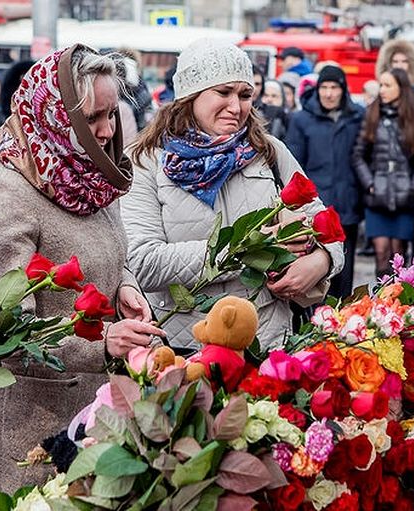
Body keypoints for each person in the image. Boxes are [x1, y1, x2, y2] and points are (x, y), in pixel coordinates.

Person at [0, 44, 161, 494]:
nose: (107, 130)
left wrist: (125, 285)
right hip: (34, 424)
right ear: (55, 116)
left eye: (111, 115)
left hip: (97, 411)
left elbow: (110, 252)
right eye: (92, 118)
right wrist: (105, 343)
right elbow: (6, 333)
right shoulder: (8, 195)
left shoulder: (88, 176)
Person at [124, 39, 343, 349]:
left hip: (268, 343)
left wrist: (321, 262)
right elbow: (144, 263)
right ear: (190, 95)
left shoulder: (268, 152)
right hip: (186, 348)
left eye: (244, 95)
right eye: (223, 92)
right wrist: (249, 247)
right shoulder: (145, 160)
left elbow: (325, 226)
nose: (236, 107)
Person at [285, 65, 364, 298]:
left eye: (334, 88)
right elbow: (294, 164)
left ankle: (342, 311)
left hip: (347, 202)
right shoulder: (301, 119)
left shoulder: (357, 116)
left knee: (345, 270)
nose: (329, 94)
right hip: (315, 206)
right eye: (324, 87)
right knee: (316, 271)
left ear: (343, 90)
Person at [351, 68, 414, 276]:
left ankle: (401, 296)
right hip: (377, 197)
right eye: (381, 85)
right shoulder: (372, 115)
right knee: (381, 253)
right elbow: (358, 155)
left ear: (401, 88)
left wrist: (413, 188)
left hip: (404, 198)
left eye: (387, 85)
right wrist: (370, 183)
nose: (382, 90)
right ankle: (381, 295)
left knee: (399, 254)